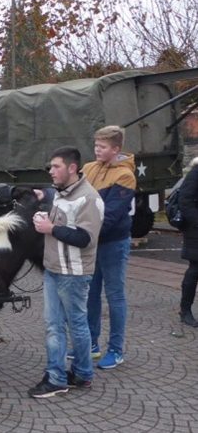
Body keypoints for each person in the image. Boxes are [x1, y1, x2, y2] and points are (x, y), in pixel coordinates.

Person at [29, 146, 103, 399]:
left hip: (73, 274)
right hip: (54, 269)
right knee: (62, 326)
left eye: (56, 166)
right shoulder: (62, 192)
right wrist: (44, 210)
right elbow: (60, 211)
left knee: (68, 326)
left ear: (72, 168)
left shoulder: (89, 198)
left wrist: (50, 228)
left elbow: (86, 239)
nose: (51, 171)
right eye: (50, 167)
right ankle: (81, 375)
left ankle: (57, 379)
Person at [80, 125, 136, 369]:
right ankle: (91, 344)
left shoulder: (125, 175)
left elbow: (111, 215)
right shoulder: (89, 168)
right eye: (96, 146)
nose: (97, 150)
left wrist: (80, 233)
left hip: (113, 243)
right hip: (93, 242)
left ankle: (116, 349)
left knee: (114, 296)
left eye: (102, 147)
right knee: (91, 293)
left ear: (116, 149)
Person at [177, 157, 198, 327]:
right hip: (196, 231)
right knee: (195, 270)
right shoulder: (196, 172)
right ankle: (185, 310)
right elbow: (185, 201)